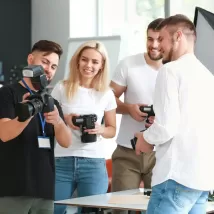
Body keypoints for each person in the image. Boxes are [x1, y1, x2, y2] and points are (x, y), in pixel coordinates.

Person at [135, 14, 214, 214]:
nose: (158, 46)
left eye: (162, 39)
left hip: (175, 176)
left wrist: (145, 138)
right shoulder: (208, 76)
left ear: (178, 36)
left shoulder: (170, 71)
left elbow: (167, 127)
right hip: (201, 180)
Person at [0, 40, 72, 214]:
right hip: (14, 189)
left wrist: (59, 122)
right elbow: (4, 133)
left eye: (54, 66)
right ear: (31, 59)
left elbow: (66, 142)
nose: (49, 69)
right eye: (45, 62)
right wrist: (26, 114)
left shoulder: (51, 101)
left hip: (44, 190)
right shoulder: (7, 93)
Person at [51, 40, 117, 214]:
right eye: (85, 59)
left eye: (95, 62)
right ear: (77, 60)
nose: (89, 65)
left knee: (91, 212)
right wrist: (66, 119)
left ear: (102, 65)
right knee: (54, 210)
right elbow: (46, 121)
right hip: (62, 160)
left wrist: (99, 129)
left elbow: (111, 129)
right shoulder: (61, 88)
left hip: (93, 162)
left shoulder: (107, 93)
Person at [110, 18, 163, 213]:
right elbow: (108, 102)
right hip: (127, 151)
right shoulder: (128, 64)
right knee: (121, 209)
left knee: (158, 209)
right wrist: (129, 108)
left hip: (161, 152)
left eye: (159, 39)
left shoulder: (174, 69)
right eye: (150, 39)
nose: (154, 45)